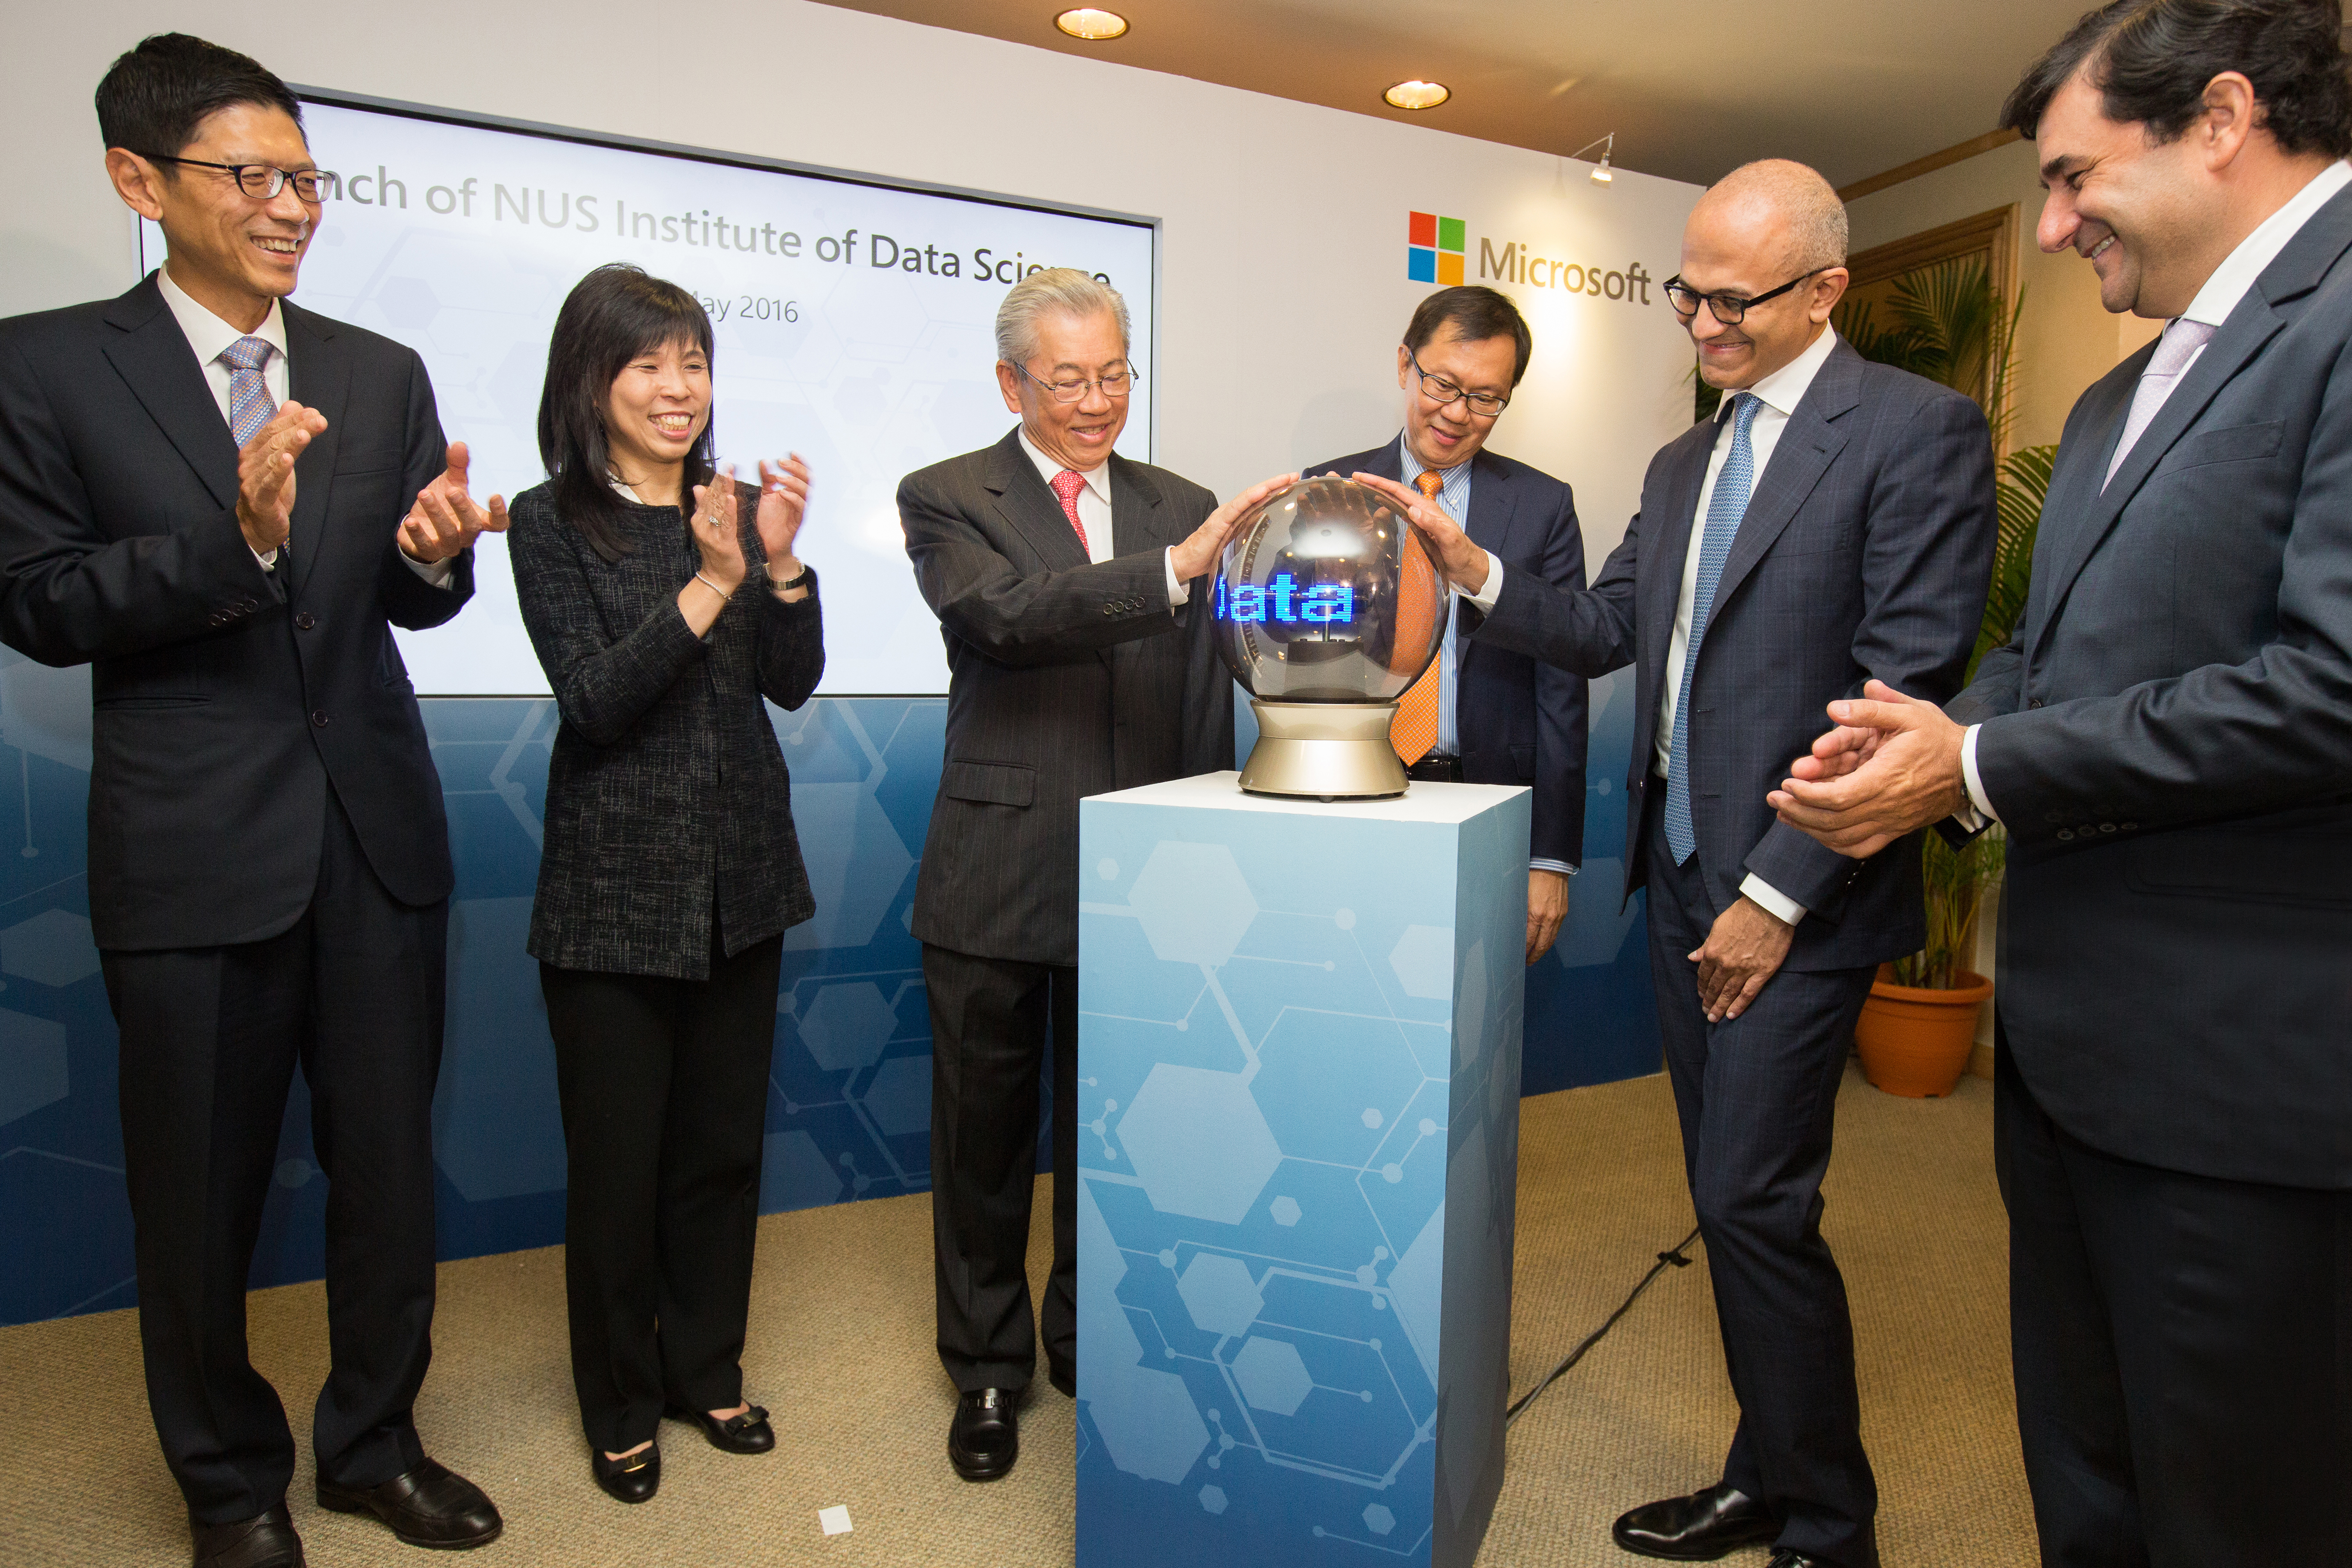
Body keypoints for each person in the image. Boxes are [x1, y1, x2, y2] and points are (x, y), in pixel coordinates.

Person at [1769, 4, 2352, 1561]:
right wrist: (1925, 757)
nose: (2051, 223)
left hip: (2246, 1093)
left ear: (2222, 117)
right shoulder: (2115, 398)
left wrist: (1983, 759)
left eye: (2077, 177)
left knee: (2236, 1511)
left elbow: (2335, 686)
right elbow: (2038, 655)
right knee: (2089, 1485)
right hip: (2078, 1067)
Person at [1369, 161, 1995, 1568]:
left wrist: (1775, 897)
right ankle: (1762, 1473)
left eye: (1733, 298)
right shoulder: (1684, 459)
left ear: (1825, 290)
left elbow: (1898, 697)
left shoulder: (1915, 430)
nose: (1701, 322)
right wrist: (1474, 569)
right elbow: (1597, 633)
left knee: (1751, 1203)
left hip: (1796, 888)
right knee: (1733, 1195)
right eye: (1687, 292)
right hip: (1683, 881)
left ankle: (1831, 1526)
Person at [0, 35, 505, 1568]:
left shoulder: (375, 369)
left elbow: (417, 602)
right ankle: (229, 1486)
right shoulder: (43, 366)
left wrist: (431, 552)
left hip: (374, 836)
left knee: (388, 1177)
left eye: (305, 175)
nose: (291, 206)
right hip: (189, 845)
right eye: (252, 176)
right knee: (197, 1196)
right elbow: (38, 603)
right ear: (138, 181)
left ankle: (373, 1443)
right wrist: (234, 540)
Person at [898, 269, 1293, 1482]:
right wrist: (1170, 572)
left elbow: (1210, 675)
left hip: (1149, 882)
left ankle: (1088, 1340)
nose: (1097, 400)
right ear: (1012, 381)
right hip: (999, 872)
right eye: (1068, 378)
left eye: (1115, 373)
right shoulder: (947, 495)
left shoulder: (1185, 503)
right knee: (985, 1143)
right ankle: (986, 1369)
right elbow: (1006, 620)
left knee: (1116, 1137)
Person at [507, 263, 823, 1505]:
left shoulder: (736, 509)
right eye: (649, 363)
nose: (679, 387)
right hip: (611, 893)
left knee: (716, 1155)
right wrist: (706, 583)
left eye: (693, 361)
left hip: (741, 879)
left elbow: (789, 682)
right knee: (619, 1166)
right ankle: (620, 1402)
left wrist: (781, 569)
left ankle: (707, 1369)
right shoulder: (549, 520)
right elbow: (594, 700)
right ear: (591, 379)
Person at [1307, 286, 1587, 964]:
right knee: (1349, 974)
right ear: (1405, 364)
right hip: (1357, 787)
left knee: (1474, 1004)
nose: (1459, 414)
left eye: (1487, 397)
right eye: (1444, 384)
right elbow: (1305, 668)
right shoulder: (1330, 493)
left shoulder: (1543, 506)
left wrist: (1549, 858)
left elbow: (1562, 685)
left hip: (1488, 796)